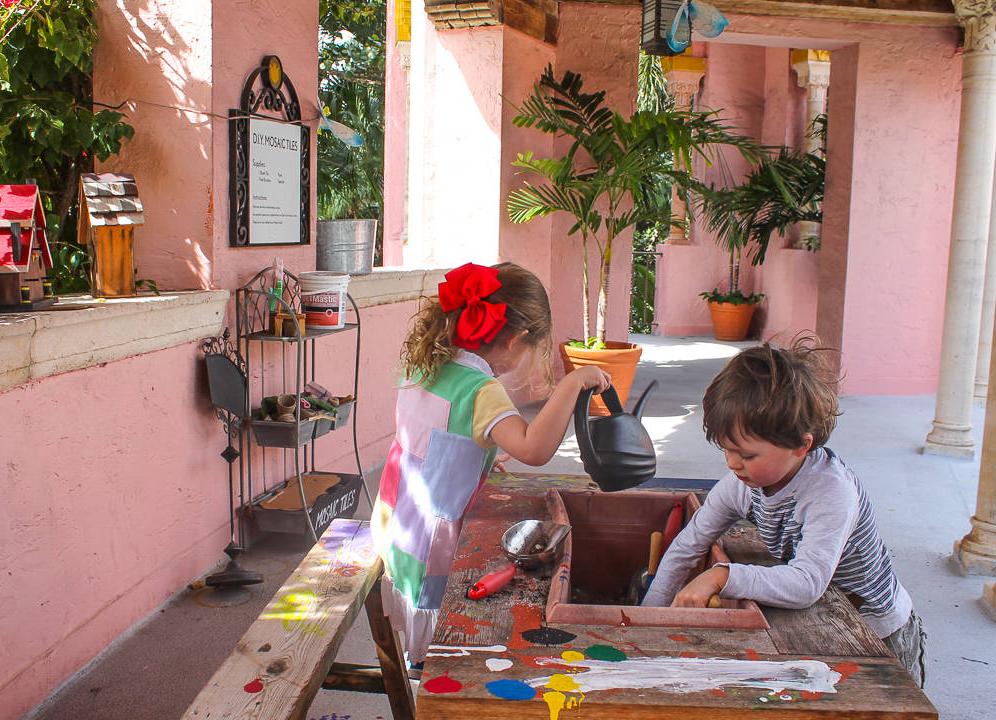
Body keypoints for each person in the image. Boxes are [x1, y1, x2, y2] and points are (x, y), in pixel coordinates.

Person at [641, 337, 926, 687]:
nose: (732, 464)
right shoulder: (741, 485)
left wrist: (721, 576)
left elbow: (807, 584)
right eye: (726, 450)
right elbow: (689, 544)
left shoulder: (831, 492)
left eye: (746, 455)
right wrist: (647, 618)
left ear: (801, 446)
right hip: (821, 620)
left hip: (874, 632)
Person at [370, 261, 611, 667]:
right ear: (516, 339)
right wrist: (572, 383)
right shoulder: (482, 390)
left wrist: (475, 457)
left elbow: (431, 441)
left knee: (417, 639)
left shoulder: (426, 361)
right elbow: (533, 449)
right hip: (433, 548)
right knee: (441, 657)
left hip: (396, 526)